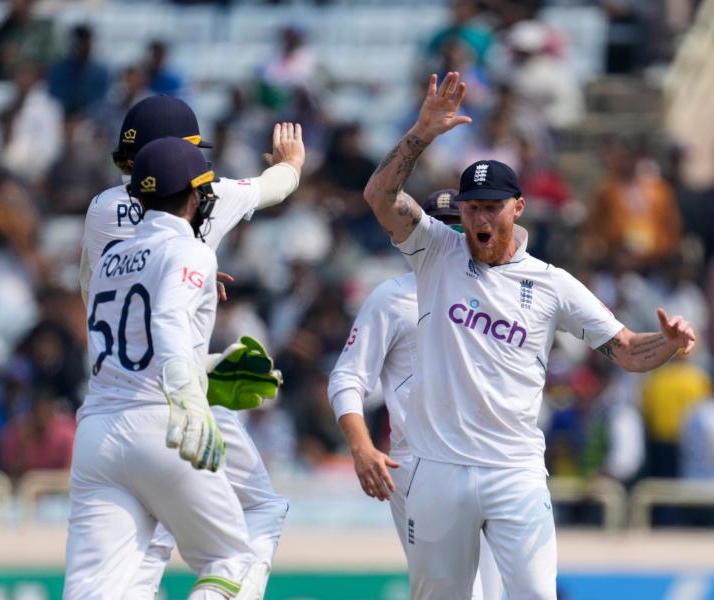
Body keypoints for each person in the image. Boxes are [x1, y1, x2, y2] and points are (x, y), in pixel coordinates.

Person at [362, 71, 697, 599]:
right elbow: (380, 196)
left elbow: (629, 350)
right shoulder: (436, 251)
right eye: (471, 208)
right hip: (438, 469)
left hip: (514, 471)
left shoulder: (552, 284)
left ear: (518, 207)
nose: (479, 219)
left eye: (491, 207)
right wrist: (423, 131)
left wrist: (671, 344)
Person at [78, 94, 304, 596]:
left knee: (123, 568)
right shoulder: (208, 204)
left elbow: (102, 288)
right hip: (177, 400)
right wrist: (291, 165)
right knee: (250, 529)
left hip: (102, 408)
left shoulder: (100, 212)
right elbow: (275, 186)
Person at [329, 189, 503, 600]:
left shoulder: (501, 291)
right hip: (421, 464)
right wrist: (361, 449)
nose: (454, 237)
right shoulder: (393, 297)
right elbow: (346, 378)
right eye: (443, 227)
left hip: (494, 460)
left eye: (459, 227)